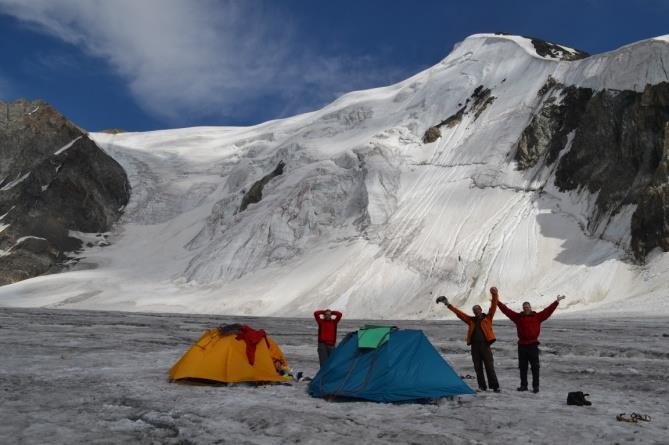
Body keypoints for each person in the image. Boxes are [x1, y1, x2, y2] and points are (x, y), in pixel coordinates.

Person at [497, 293, 566, 393]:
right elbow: (506, 311)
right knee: (522, 367)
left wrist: (556, 302)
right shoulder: (518, 317)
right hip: (522, 346)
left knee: (535, 367)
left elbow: (548, 311)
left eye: (527, 307)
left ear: (530, 307)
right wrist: (497, 302)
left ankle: (535, 387)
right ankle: (523, 386)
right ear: (523, 308)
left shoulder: (537, 317)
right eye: (524, 307)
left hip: (533, 345)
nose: (526, 309)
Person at [436, 287, 500, 392]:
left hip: (485, 345)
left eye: (477, 309)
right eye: (474, 310)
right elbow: (459, 314)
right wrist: (448, 305)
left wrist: (495, 294)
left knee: (489, 367)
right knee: (478, 368)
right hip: (475, 347)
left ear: (481, 310)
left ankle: (495, 387)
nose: (476, 311)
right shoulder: (471, 320)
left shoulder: (487, 318)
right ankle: (482, 387)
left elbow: (493, 307)